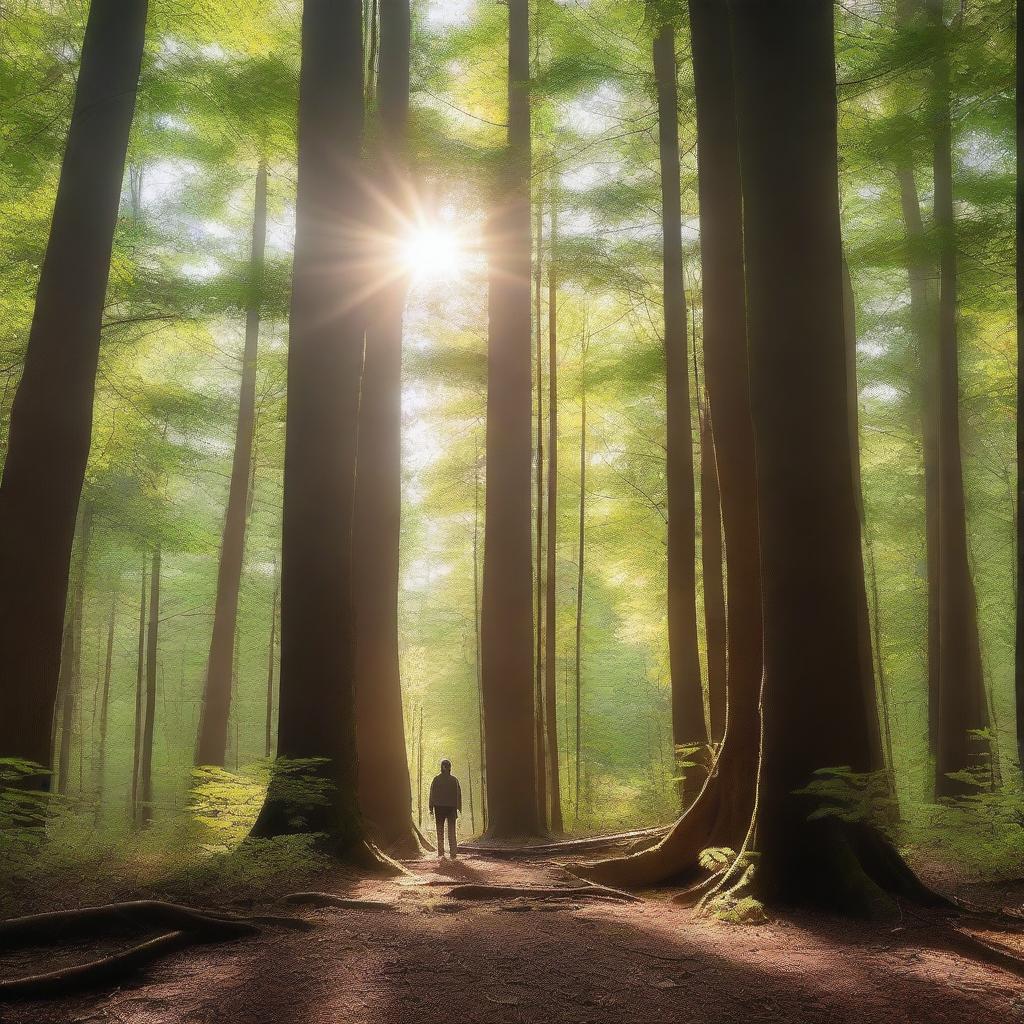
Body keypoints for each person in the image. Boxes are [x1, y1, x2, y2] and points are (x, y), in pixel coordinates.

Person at [428, 758, 462, 859]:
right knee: (451, 831)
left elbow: (432, 793)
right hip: (450, 808)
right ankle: (452, 852)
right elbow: (458, 794)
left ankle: (441, 853)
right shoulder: (454, 780)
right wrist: (459, 807)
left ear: (442, 767)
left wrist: (431, 806)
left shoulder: (436, 779)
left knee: (440, 831)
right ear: (449, 767)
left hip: (439, 808)